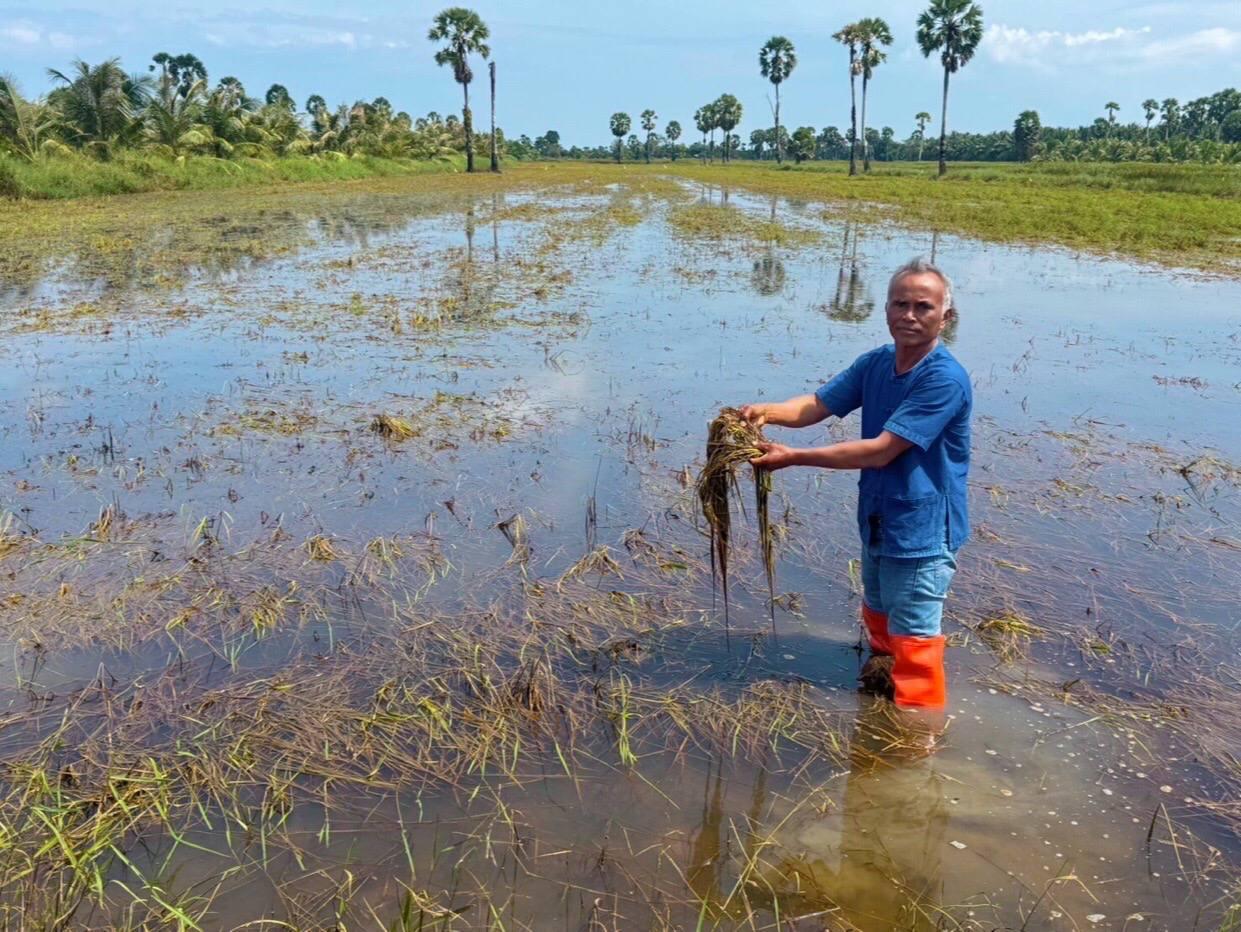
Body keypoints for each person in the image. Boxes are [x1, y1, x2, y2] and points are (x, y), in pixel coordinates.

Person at [741, 257, 970, 712]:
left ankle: (915, 740)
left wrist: (794, 457)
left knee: (916, 636)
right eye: (899, 303)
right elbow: (817, 405)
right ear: (885, 309)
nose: (909, 315)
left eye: (923, 306)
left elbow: (882, 449)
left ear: (945, 317)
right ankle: (879, 705)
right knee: (880, 614)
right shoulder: (877, 363)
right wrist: (766, 411)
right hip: (881, 516)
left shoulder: (943, 379)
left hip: (923, 529)